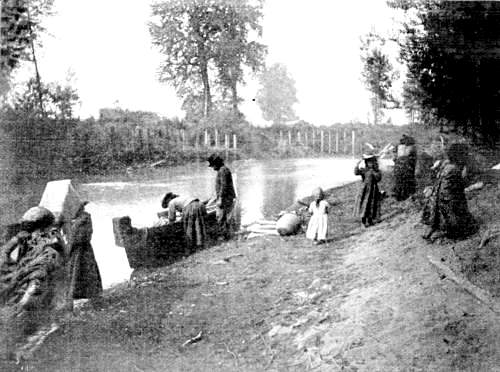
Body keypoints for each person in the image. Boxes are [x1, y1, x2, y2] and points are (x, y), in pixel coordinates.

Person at [0, 206, 68, 361]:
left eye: (29, 229)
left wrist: (18, 307)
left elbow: (36, 285)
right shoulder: (34, 246)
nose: (26, 234)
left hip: (39, 317)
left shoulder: (49, 252)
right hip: (31, 312)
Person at [422, 143, 477, 241]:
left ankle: (431, 230)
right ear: (460, 156)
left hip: (436, 198)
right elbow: (460, 186)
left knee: (439, 213)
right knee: (467, 227)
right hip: (448, 201)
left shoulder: (447, 165)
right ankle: (442, 232)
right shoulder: (455, 169)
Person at [66, 201, 103, 305]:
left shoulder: (84, 219)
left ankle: (92, 298)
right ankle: (76, 298)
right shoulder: (70, 219)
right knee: (75, 273)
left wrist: (69, 246)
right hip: (75, 250)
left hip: (81, 251)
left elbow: (82, 237)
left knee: (83, 272)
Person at [161, 192, 207, 256]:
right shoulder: (181, 198)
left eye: (166, 203)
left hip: (191, 207)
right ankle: (201, 245)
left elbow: (172, 218)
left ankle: (191, 248)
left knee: (189, 229)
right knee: (199, 225)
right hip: (201, 205)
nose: (167, 204)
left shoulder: (171, 202)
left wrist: (169, 222)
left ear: (168, 199)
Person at [207, 154, 236, 240]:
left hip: (225, 199)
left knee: (221, 217)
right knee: (225, 217)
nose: (212, 168)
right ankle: (227, 235)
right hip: (226, 198)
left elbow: (224, 186)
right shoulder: (223, 170)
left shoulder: (222, 171)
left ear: (216, 163)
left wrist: (220, 199)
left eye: (213, 165)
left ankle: (224, 237)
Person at [353, 152, 382, 227]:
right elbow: (356, 172)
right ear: (366, 163)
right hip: (364, 190)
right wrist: (358, 164)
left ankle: (370, 220)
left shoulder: (376, 171)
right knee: (364, 205)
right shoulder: (364, 170)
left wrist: (373, 172)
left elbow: (378, 178)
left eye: (372, 162)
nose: (370, 164)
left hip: (373, 190)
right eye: (368, 162)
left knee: (372, 204)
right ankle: (363, 222)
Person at [392, 134, 417, 201]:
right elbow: (414, 159)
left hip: (400, 166)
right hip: (406, 167)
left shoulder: (399, 147)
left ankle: (400, 196)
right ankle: (405, 196)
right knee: (406, 182)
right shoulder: (412, 147)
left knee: (400, 182)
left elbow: (394, 158)